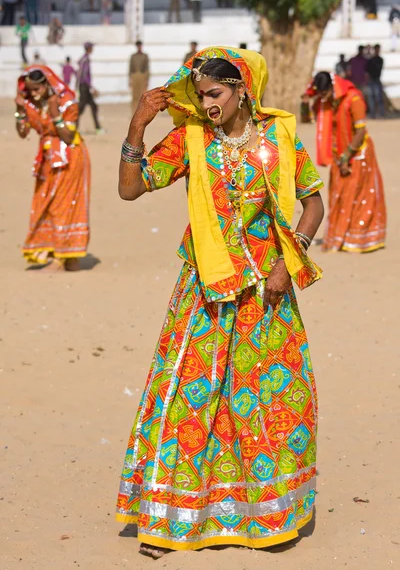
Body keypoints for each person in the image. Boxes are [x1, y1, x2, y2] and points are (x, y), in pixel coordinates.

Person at [116, 46, 325, 558]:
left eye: (216, 94)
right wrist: (137, 128)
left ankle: (270, 517)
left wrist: (287, 260)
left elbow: (313, 202)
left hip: (265, 292)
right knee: (189, 397)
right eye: (202, 95)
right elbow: (131, 189)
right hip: (206, 290)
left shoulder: (278, 139)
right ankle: (174, 516)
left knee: (268, 401)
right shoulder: (191, 141)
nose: (207, 104)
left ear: (242, 90)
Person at [15, 66, 91, 270]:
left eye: (37, 88)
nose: (34, 93)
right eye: (30, 90)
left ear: (47, 84)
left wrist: (55, 113)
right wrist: (20, 111)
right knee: (45, 203)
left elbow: (67, 135)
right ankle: (63, 255)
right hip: (48, 160)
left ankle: (63, 257)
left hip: (70, 157)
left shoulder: (66, 101)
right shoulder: (32, 104)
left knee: (64, 205)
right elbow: (23, 133)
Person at [308, 72, 386, 253]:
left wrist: (347, 156)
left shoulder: (353, 99)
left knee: (358, 196)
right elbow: (310, 118)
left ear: (331, 88)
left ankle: (359, 238)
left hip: (358, 154)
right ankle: (340, 237)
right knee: (339, 196)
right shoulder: (329, 101)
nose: (323, 98)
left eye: (324, 94)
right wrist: (306, 103)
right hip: (339, 154)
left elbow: (360, 131)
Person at [77, 42, 103, 134]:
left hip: (84, 86)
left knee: (93, 106)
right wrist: (91, 87)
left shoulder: (84, 58)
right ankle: (74, 126)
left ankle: (98, 127)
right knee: (81, 107)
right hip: (84, 86)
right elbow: (84, 76)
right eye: (91, 47)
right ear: (88, 48)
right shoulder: (85, 60)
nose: (93, 49)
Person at [129, 40, 150, 114]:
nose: (139, 47)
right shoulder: (133, 56)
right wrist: (130, 80)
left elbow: (147, 68)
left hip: (142, 76)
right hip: (135, 76)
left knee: (142, 95)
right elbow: (130, 68)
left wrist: (147, 80)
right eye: (138, 45)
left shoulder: (145, 56)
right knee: (135, 96)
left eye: (140, 45)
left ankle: (142, 112)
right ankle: (134, 112)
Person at [366, 44, 384, 118]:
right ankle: (373, 113)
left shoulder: (379, 60)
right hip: (372, 80)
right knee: (372, 97)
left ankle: (381, 113)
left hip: (376, 79)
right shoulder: (372, 59)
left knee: (377, 97)